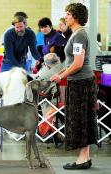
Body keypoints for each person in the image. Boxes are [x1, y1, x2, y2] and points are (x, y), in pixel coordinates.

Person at [50, 3, 98, 170]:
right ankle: (85, 156)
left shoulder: (79, 35)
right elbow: (72, 62)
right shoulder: (76, 34)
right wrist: (63, 70)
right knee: (82, 119)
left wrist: (61, 76)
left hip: (81, 84)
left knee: (80, 120)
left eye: (69, 14)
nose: (66, 16)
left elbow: (78, 63)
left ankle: (83, 159)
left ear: (76, 16)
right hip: (78, 82)